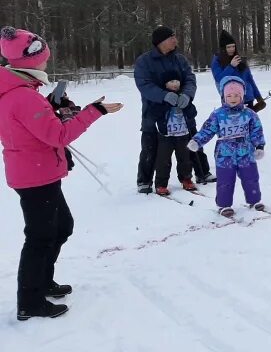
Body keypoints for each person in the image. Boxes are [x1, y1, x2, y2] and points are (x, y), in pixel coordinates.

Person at [0, 26, 122, 321]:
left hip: (39, 172)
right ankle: (29, 300)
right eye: (42, 58)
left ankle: (42, 281)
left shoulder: (22, 90)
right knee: (40, 236)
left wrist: (53, 106)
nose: (46, 63)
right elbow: (59, 136)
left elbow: (36, 128)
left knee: (61, 226)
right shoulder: (23, 96)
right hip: (35, 176)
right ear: (29, 62)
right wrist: (95, 111)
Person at [135, 26, 215, 193]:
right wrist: (163, 95)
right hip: (154, 113)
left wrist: (187, 95)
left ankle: (202, 173)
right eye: (171, 37)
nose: (175, 40)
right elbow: (144, 84)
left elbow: (189, 79)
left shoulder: (180, 59)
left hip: (182, 112)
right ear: (161, 41)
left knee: (192, 142)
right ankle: (145, 181)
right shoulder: (145, 61)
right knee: (151, 148)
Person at [188, 76, 266, 217]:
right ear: (224, 96)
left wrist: (259, 146)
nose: (233, 98)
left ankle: (254, 200)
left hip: (246, 152)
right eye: (229, 95)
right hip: (225, 154)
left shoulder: (249, 114)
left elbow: (256, 130)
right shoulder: (218, 114)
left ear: (242, 96)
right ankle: (224, 205)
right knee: (225, 181)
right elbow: (208, 129)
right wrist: (197, 141)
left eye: (237, 95)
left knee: (251, 178)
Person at [211, 30, 265, 112]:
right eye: (228, 47)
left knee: (251, 124)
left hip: (248, 99)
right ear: (223, 48)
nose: (232, 49)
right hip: (231, 100)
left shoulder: (240, 59)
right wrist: (231, 66)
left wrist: (258, 97)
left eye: (233, 46)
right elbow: (219, 79)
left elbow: (250, 80)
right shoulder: (217, 60)